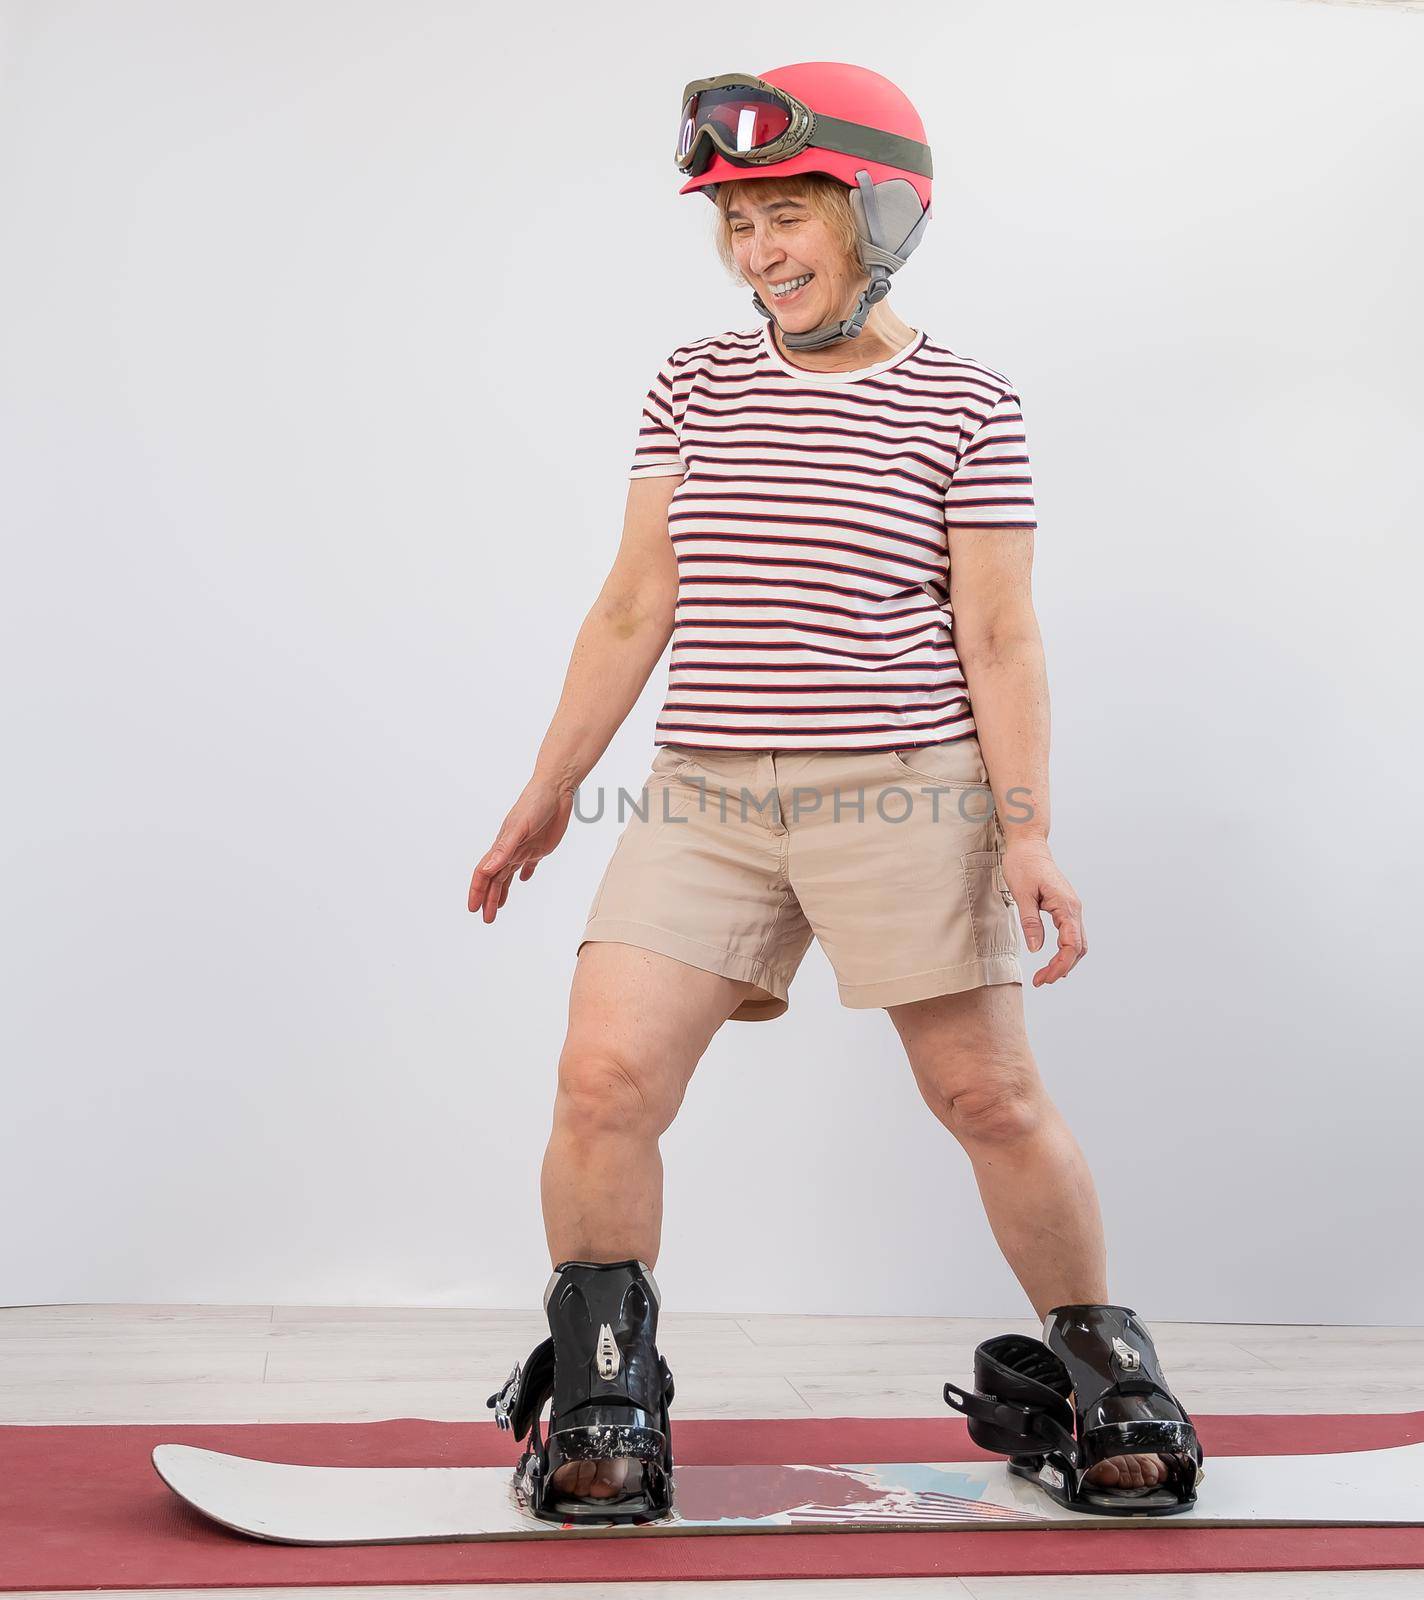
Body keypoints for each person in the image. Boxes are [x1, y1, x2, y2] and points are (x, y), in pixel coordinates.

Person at [470, 62, 1200, 1525]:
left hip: (907, 794)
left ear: (877, 212)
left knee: (986, 1094)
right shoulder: (694, 381)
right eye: (735, 228)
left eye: (786, 217)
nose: (759, 256)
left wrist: (1030, 831)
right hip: (707, 799)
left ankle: (1102, 1368)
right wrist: (548, 791)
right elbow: (636, 602)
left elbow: (998, 634)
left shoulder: (969, 401)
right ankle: (606, 1379)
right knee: (603, 1078)